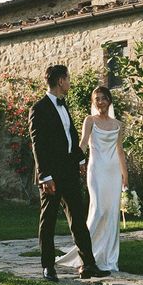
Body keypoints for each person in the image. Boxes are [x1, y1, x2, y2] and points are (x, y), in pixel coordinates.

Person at [29, 65, 111, 282]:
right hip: (51, 175)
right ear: (60, 81)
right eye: (68, 79)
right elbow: (38, 145)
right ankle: (48, 267)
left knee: (78, 219)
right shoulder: (39, 108)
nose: (70, 82)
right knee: (48, 221)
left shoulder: (64, 107)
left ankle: (89, 265)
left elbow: (70, 136)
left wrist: (80, 159)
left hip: (68, 170)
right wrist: (44, 176)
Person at [57, 85, 128, 272]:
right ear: (93, 102)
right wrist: (73, 162)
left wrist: (125, 175)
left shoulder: (119, 125)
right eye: (97, 99)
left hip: (113, 172)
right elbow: (83, 143)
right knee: (98, 211)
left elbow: (120, 150)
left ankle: (109, 257)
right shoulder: (90, 121)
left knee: (112, 213)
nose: (100, 102)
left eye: (104, 98)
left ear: (109, 101)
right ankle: (85, 253)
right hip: (96, 170)